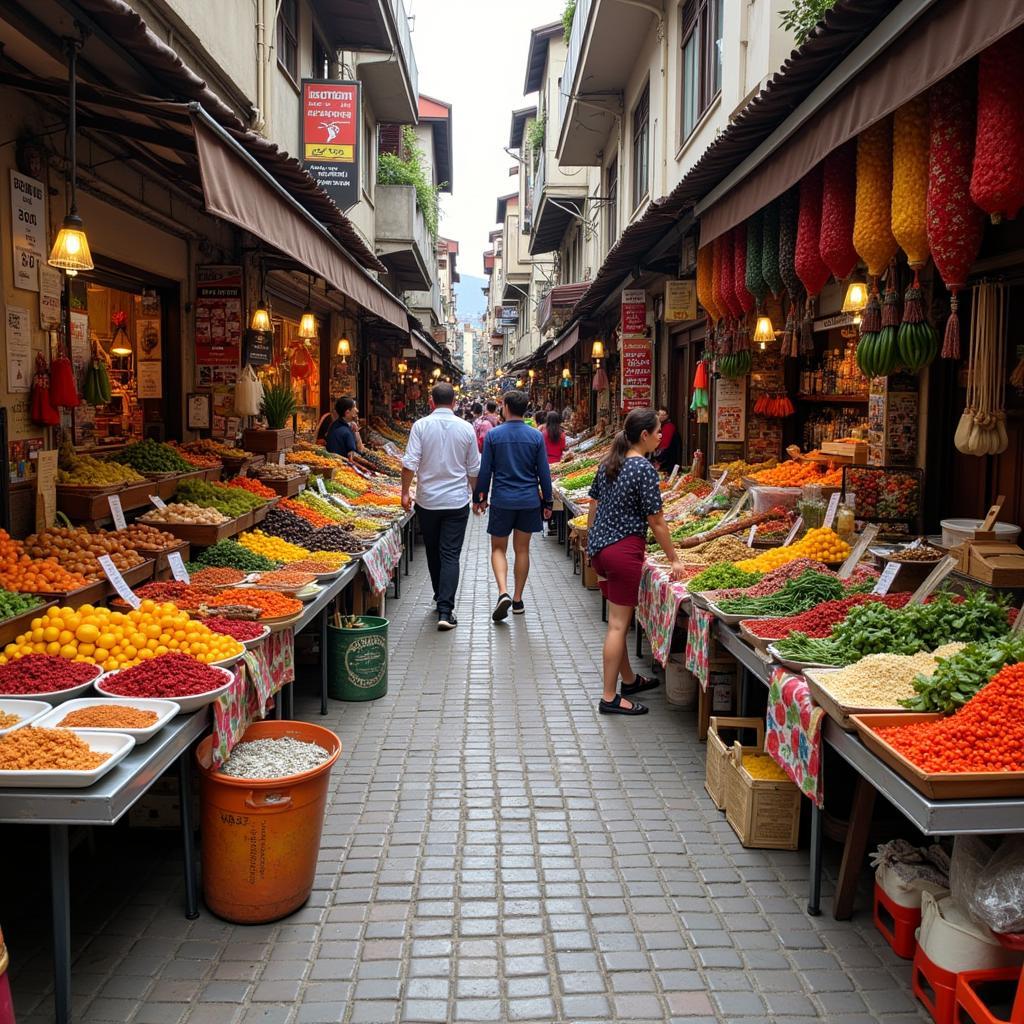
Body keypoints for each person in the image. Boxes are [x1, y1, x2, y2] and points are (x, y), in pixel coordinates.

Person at [587, 408, 684, 715]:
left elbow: (593, 506)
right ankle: (609, 697)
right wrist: (675, 559)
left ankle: (628, 680)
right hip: (623, 551)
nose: (660, 436)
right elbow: (656, 521)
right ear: (644, 435)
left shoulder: (609, 463)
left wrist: (592, 546)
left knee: (620, 623)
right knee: (618, 625)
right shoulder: (642, 467)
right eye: (657, 432)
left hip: (602, 551)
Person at [401, 382, 481, 631]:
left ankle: (441, 600)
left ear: (431, 402)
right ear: (455, 403)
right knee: (450, 554)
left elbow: (409, 463)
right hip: (456, 502)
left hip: (428, 501)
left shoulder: (421, 426)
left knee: (434, 551)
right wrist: (477, 496)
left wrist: (405, 492)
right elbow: (474, 469)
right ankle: (445, 609)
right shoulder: (466, 428)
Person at [474, 389, 553, 621]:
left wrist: (480, 497)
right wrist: (547, 500)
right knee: (522, 549)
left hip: (502, 500)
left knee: (498, 548)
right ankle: (517, 600)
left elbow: (485, 470)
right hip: (528, 500)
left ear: (506, 407)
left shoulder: (494, 436)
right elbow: (544, 473)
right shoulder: (535, 436)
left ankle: (503, 592)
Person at [654, 407, 683, 473]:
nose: (661, 417)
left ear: (667, 416)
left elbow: (664, 445)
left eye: (663, 415)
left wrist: (658, 458)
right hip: (668, 458)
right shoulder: (662, 425)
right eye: (659, 415)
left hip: (668, 460)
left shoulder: (668, 426)